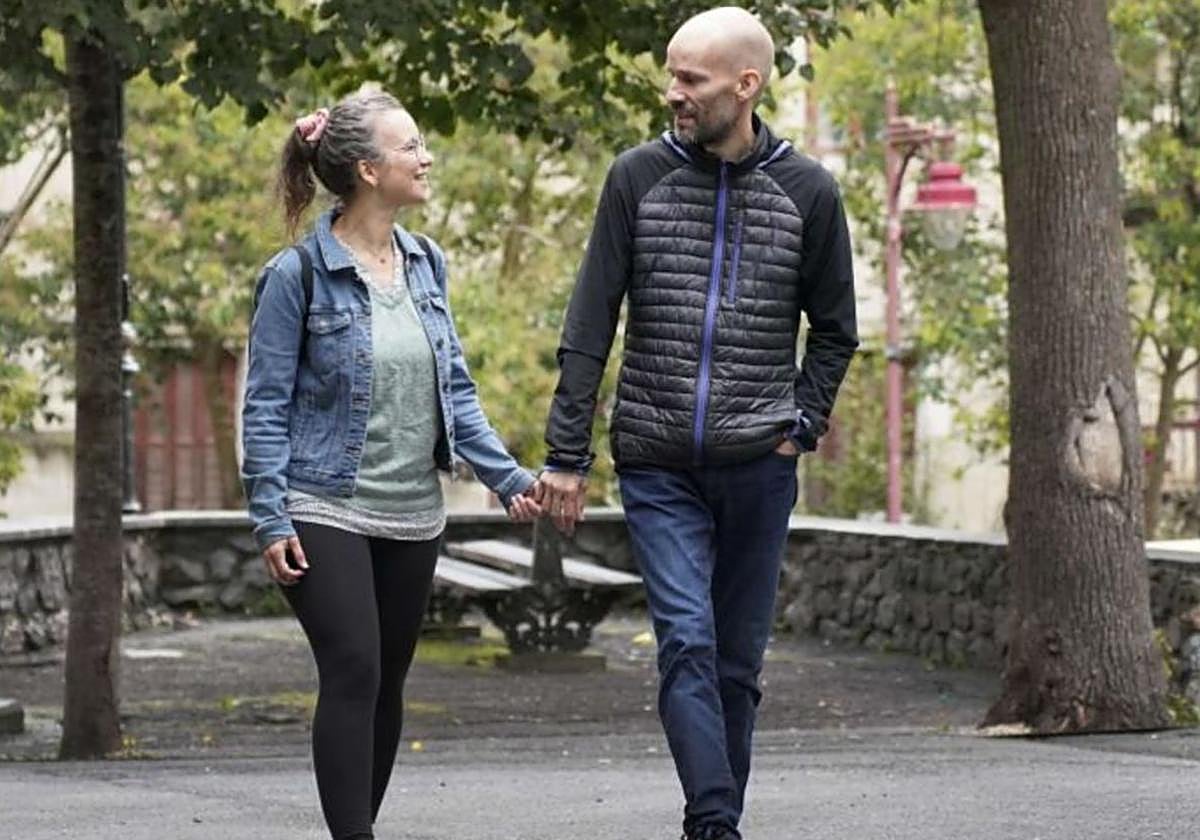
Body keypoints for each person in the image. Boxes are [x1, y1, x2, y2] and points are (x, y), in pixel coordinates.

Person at [539, 8, 858, 840]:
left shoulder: (810, 192)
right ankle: (715, 823)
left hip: (760, 461)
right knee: (684, 640)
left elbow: (835, 331)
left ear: (745, 86)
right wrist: (565, 455)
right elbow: (590, 321)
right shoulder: (635, 177)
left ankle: (712, 820)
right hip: (656, 460)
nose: (671, 92)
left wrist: (802, 420)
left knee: (736, 666)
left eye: (691, 79)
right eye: (672, 74)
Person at [240, 90, 542, 840]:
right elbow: (265, 404)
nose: (426, 156)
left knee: (388, 684)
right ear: (370, 170)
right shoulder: (296, 275)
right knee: (355, 670)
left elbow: (456, 393)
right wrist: (269, 514)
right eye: (411, 146)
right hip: (323, 501)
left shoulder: (425, 263)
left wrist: (509, 478)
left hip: (412, 509)